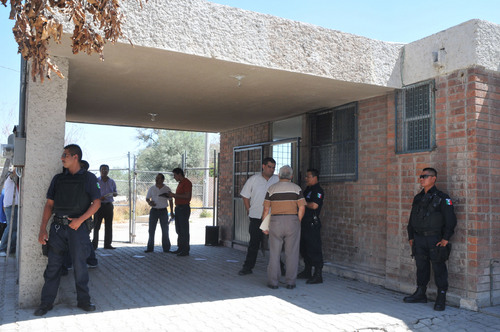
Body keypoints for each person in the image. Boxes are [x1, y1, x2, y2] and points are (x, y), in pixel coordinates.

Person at [34, 144, 101, 316]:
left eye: (65, 155)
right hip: (57, 228)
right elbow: (49, 204)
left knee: (80, 266)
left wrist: (80, 220)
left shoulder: (89, 178)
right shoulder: (58, 179)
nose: (62, 158)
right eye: (63, 155)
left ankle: (84, 301)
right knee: (53, 267)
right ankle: (46, 303)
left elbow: (97, 203)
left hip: (77, 229)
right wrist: (43, 229)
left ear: (75, 157)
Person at [403, 167, 457, 311]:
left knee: (439, 268)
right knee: (421, 267)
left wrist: (446, 238)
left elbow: (450, 220)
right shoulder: (418, 197)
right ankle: (421, 293)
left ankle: (441, 297)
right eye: (420, 177)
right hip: (419, 239)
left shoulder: (443, 198)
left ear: (433, 178)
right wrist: (411, 236)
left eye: (424, 176)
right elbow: (412, 219)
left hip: (435, 239)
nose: (421, 179)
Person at [262, 165, 306, 289]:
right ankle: (290, 282)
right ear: (291, 176)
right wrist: (297, 220)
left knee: (274, 253)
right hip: (292, 220)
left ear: (279, 176)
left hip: (275, 221)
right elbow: (302, 207)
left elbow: (266, 209)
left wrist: (265, 226)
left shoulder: (271, 189)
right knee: (292, 253)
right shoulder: (297, 189)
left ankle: (273, 282)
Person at [238, 157, 279, 276]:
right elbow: (245, 196)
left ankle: (280, 267)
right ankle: (247, 267)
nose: (271, 170)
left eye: (273, 168)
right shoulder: (254, 179)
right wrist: (248, 209)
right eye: (269, 167)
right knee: (254, 243)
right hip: (256, 216)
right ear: (263, 166)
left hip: (273, 217)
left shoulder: (277, 179)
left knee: (276, 243)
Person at [297, 168, 325, 284]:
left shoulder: (318, 190)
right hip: (304, 223)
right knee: (304, 248)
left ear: (314, 177)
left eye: (308, 176)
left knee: (314, 249)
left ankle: (318, 275)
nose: (306, 178)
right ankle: (307, 270)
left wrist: (302, 203)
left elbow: (314, 205)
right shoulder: (308, 189)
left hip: (312, 224)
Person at [144, 173, 174, 253]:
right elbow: (147, 198)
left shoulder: (166, 189)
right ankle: (150, 248)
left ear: (163, 180)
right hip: (154, 211)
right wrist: (150, 202)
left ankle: (166, 248)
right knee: (151, 230)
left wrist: (171, 211)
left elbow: (171, 200)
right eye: (156, 178)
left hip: (163, 211)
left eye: (159, 178)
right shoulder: (152, 188)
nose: (157, 180)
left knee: (165, 229)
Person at [92, 164, 118, 250]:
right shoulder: (96, 181)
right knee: (96, 225)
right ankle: (94, 245)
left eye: (106, 170)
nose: (104, 171)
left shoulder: (112, 182)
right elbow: (93, 193)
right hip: (98, 206)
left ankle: (107, 244)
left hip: (108, 206)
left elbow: (115, 192)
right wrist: (99, 198)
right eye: (103, 170)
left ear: (108, 171)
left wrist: (114, 194)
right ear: (100, 171)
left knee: (109, 226)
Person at [169, 168, 192, 256]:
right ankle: (181, 247)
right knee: (179, 229)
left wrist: (174, 195)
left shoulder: (187, 183)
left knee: (184, 229)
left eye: (174, 175)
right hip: (178, 208)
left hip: (183, 208)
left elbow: (187, 196)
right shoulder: (180, 183)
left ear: (179, 174)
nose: (174, 177)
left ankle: (185, 250)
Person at [0, 169, 19, 257]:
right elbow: (14, 173)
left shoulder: (15, 182)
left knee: (14, 228)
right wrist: (18, 166)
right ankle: (2, 248)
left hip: (14, 206)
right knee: (11, 227)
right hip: (11, 206)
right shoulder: (9, 179)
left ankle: (11, 248)